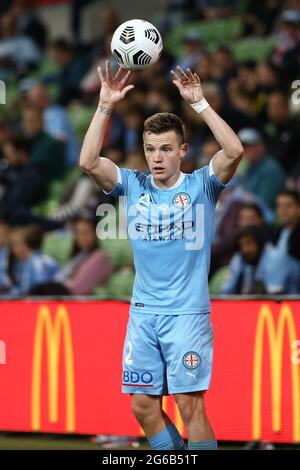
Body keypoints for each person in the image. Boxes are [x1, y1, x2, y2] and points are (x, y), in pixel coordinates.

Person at [80, 61, 244, 450]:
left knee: (190, 406)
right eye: (151, 149)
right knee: (142, 406)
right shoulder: (133, 185)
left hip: (187, 313)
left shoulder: (203, 184)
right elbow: (88, 162)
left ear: (182, 151)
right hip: (143, 315)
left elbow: (234, 150)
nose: (157, 157)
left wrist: (200, 103)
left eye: (166, 149)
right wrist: (104, 106)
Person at [29, 217, 112, 296]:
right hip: (63, 290)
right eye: (78, 233)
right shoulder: (80, 256)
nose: (82, 237)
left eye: (86, 232)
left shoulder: (100, 256)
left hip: (74, 297)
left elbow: (78, 288)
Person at [221, 226, 300, 295]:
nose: (245, 250)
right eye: (241, 245)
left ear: (259, 243)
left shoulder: (275, 259)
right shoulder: (243, 259)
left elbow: (273, 298)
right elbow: (226, 291)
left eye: (249, 243)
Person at [237, 127, 285, 210]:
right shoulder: (247, 165)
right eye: (243, 146)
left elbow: (266, 203)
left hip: (264, 217)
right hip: (247, 213)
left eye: (250, 146)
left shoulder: (271, 169)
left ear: (261, 146)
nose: (246, 150)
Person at [275, 190, 300, 263]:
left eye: (288, 206)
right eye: (280, 206)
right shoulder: (275, 233)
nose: (283, 211)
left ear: (298, 209)